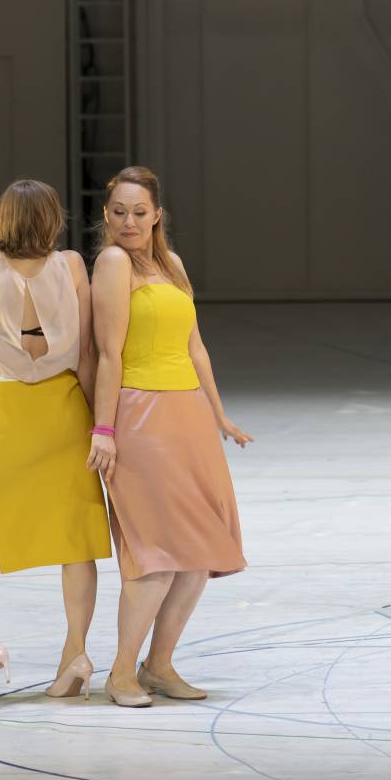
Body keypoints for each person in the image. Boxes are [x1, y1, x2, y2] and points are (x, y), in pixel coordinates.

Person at [0, 178, 111, 705]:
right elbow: (88, 357)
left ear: (2, 218)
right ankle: (76, 652)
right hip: (64, 413)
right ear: (54, 220)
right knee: (75, 541)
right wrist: (102, 425)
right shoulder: (74, 266)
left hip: (3, 411)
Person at [87, 166, 251, 707]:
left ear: (158, 215)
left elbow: (195, 346)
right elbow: (109, 353)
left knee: (199, 550)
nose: (128, 222)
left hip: (188, 416)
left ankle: (158, 666)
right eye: (118, 213)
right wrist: (105, 429)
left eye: (139, 212)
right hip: (140, 415)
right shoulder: (111, 264)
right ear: (106, 216)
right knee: (155, 552)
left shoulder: (171, 263)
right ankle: (120, 673)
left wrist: (219, 415)